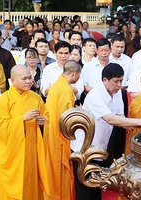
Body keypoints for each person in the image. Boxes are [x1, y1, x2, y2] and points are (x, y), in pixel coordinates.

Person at [71, 63, 141, 200]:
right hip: (84, 148)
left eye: (121, 81)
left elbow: (120, 118)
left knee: (97, 186)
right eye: (116, 81)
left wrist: (137, 126)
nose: (119, 85)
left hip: (100, 147)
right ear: (105, 80)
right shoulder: (95, 95)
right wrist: (139, 121)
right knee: (86, 189)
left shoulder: (117, 94)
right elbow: (110, 119)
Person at [0, 64, 50, 199]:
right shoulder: (4, 100)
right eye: (24, 78)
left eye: (30, 77)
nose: (29, 81)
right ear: (12, 80)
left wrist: (43, 122)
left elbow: (47, 117)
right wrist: (22, 119)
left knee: (30, 186)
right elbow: (0, 126)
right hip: (12, 154)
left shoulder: (35, 97)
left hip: (31, 151)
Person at [45, 61, 81, 200]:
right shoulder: (66, 89)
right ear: (74, 73)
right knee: (59, 173)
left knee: (53, 171)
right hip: (60, 137)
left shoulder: (56, 85)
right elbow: (67, 118)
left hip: (52, 134)